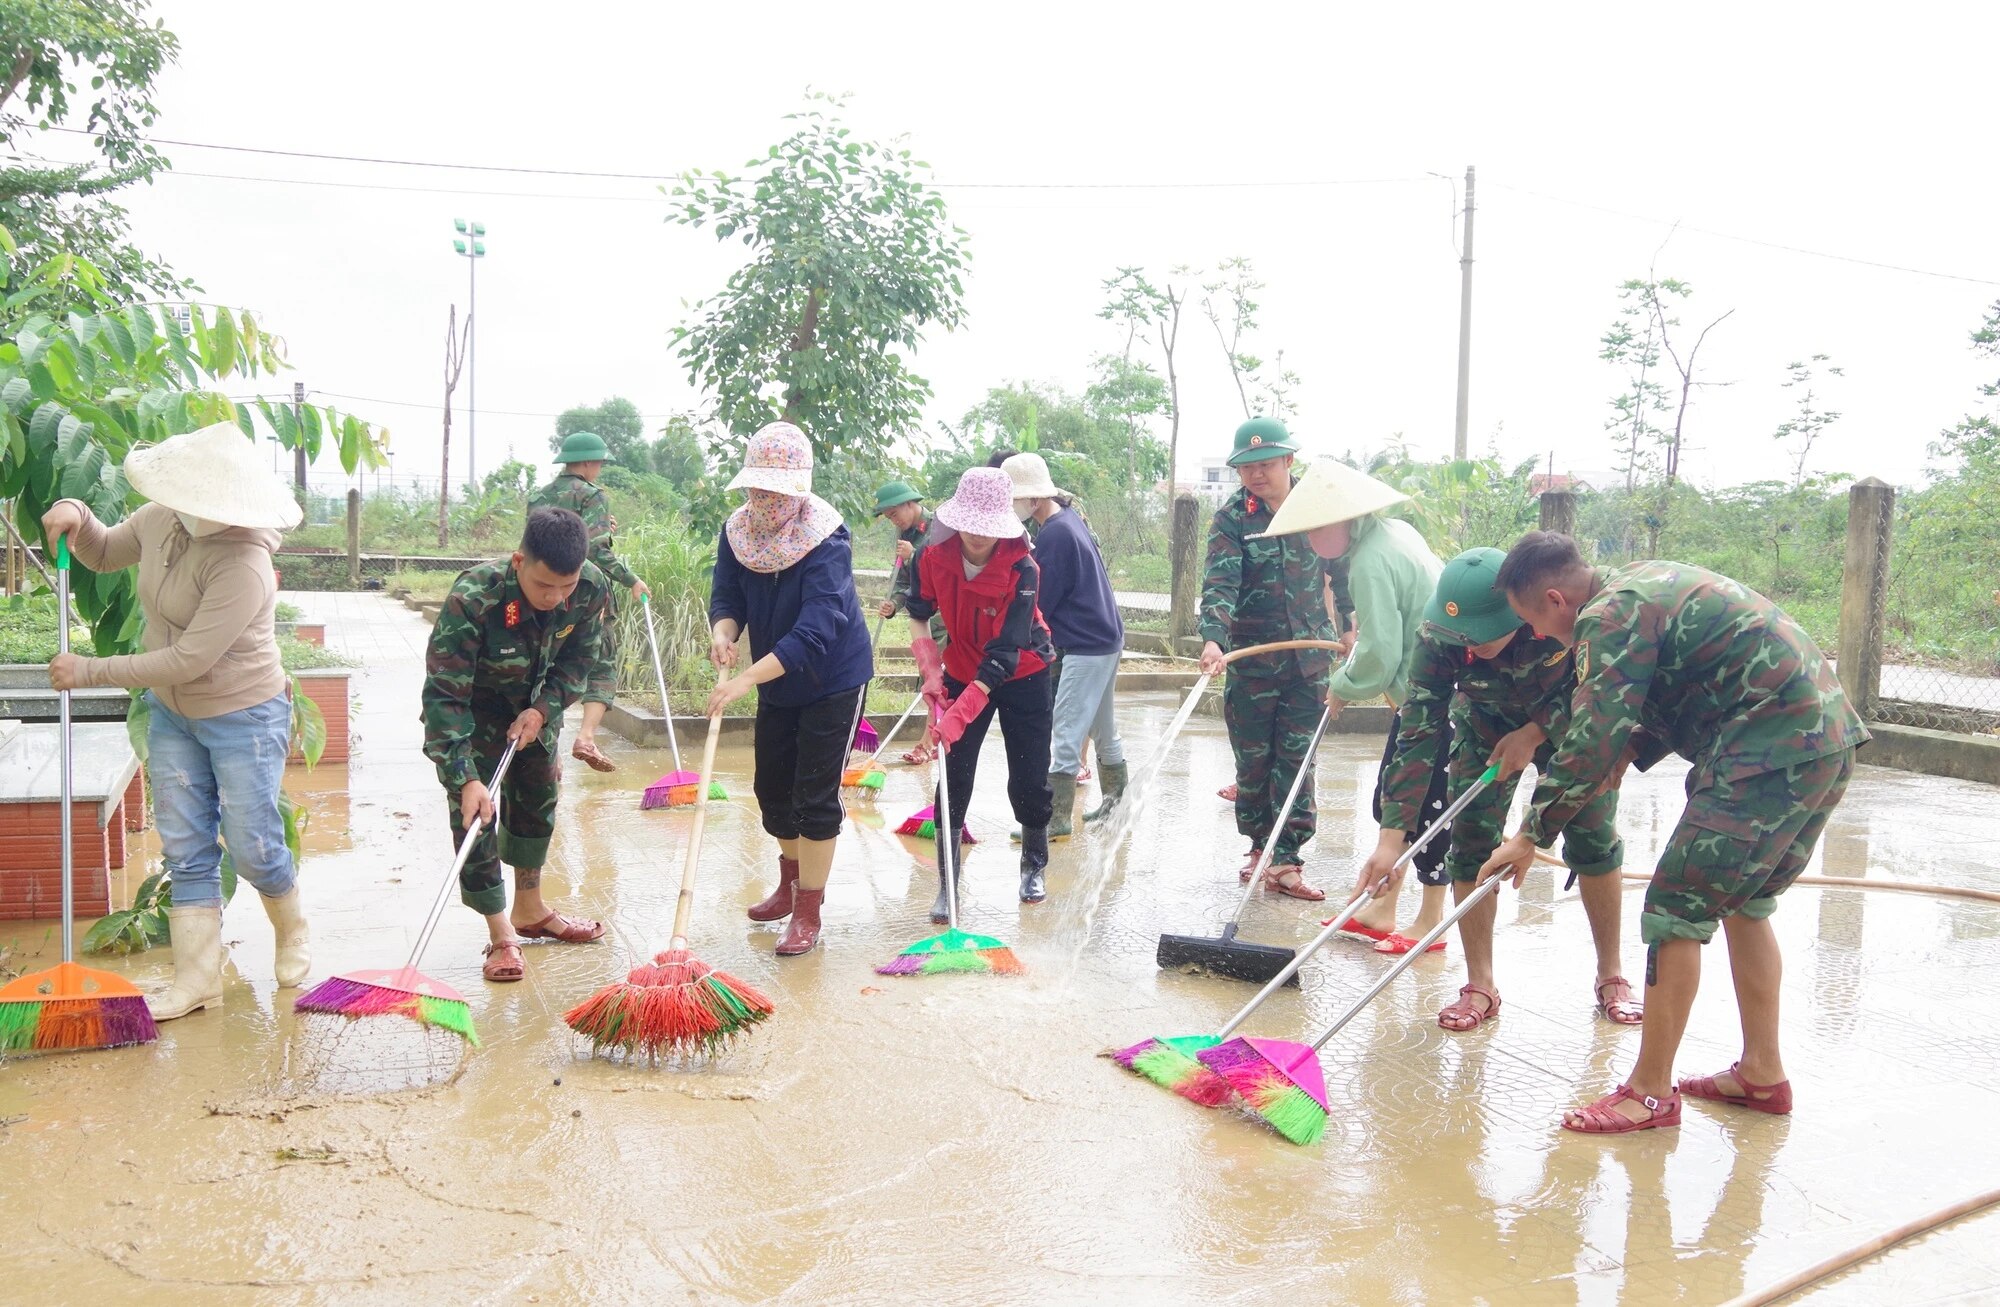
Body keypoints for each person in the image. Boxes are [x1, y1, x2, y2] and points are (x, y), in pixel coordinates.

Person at [1479, 532, 1868, 1133]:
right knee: (1745, 904)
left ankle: (1649, 1092)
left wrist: (1531, 832)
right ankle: (1762, 1074)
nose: (1536, 635)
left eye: (1532, 620)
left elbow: (1594, 729)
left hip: (1764, 752)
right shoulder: (1642, 583)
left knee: (1674, 909)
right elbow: (1665, 691)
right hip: (1821, 741)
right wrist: (1624, 750)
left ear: (1556, 599)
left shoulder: (1606, 616)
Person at [40, 422, 311, 1021]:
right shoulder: (165, 517)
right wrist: (77, 515)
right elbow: (105, 551)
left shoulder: (244, 563)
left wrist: (89, 671)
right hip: (172, 714)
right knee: (185, 845)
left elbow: (190, 659)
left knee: (252, 844)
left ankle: (291, 929)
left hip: (244, 715)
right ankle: (196, 981)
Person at [1361, 548, 1641, 1031]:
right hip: (1484, 731)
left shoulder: (1560, 615)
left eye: (1482, 635)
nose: (1471, 645)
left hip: (1573, 729)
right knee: (1470, 844)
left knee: (1593, 837)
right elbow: (1419, 730)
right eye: (1462, 637)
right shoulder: (1437, 635)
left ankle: (1611, 974)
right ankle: (1480, 984)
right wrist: (1391, 840)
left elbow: (1600, 698)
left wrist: (1534, 735)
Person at [1258, 458, 1447, 947]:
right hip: (1426, 691)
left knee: (1426, 807)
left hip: (1438, 698)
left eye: (1314, 530)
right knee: (1392, 796)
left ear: (1341, 522)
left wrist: (1343, 685)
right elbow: (1380, 635)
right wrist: (1353, 670)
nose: (1309, 542)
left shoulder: (1368, 560)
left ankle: (1430, 922)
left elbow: (1381, 655)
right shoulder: (1393, 533)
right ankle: (1382, 908)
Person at [422, 508, 610, 983]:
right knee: (476, 816)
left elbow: (579, 662)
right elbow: (445, 695)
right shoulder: (474, 598)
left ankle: (531, 909)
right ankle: (501, 931)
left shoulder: (588, 588)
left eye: (565, 587)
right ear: (518, 561)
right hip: (476, 713)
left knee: (537, 799)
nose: (556, 598)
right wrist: (463, 776)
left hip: (534, 710)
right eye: (544, 586)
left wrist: (544, 709)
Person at [708, 423, 873, 956]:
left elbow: (817, 629)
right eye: (757, 489)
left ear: (798, 489)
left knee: (814, 798)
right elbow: (727, 594)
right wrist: (724, 633)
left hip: (832, 680)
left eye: (776, 491)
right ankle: (789, 884)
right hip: (777, 677)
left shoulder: (827, 539)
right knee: (773, 791)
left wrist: (743, 681)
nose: (765, 500)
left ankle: (809, 909)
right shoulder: (737, 531)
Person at [1196, 417, 1347, 900]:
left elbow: (1343, 573)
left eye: (1265, 465)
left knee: (1298, 759)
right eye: (1247, 468)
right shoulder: (1233, 518)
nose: (1256, 475)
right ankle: (1261, 845)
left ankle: (1287, 860)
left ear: (1288, 460)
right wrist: (1214, 639)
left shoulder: (1318, 509)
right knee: (1254, 761)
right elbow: (1220, 583)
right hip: (1252, 660)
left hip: (1310, 660)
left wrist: (1352, 626)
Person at [903, 467, 1058, 907]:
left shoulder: (1023, 569)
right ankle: (946, 885)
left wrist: (960, 714)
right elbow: (918, 611)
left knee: (1028, 776)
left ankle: (1034, 863)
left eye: (987, 526)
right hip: (962, 666)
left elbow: (1005, 654)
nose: (976, 535)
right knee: (954, 774)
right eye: (969, 523)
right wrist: (930, 667)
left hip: (1022, 671)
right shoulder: (931, 557)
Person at [1002, 452, 1127, 833]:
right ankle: (1116, 808)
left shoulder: (1054, 533)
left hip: (1087, 643)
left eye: (1015, 500)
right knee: (1104, 727)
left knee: (1068, 730)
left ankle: (1055, 818)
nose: (1012, 508)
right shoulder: (1068, 520)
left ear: (1034, 499)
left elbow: (1041, 601)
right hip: (1106, 636)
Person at [529, 430, 649, 773]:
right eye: (598, 462)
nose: (598, 469)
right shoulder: (593, 495)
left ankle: (546, 749)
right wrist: (632, 580)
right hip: (585, 592)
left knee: (546, 664)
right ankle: (586, 737)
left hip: (542, 592)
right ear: (586, 462)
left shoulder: (539, 495)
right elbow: (595, 550)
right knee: (600, 663)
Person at [873, 479, 944, 764]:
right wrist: (894, 605)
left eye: (894, 514)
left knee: (939, 682)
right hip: (921, 619)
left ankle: (928, 744)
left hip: (945, 618)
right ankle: (934, 740)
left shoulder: (940, 527)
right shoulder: (904, 534)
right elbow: (904, 582)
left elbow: (943, 567)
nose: (893, 521)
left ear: (909, 503)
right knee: (931, 681)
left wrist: (915, 555)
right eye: (888, 518)